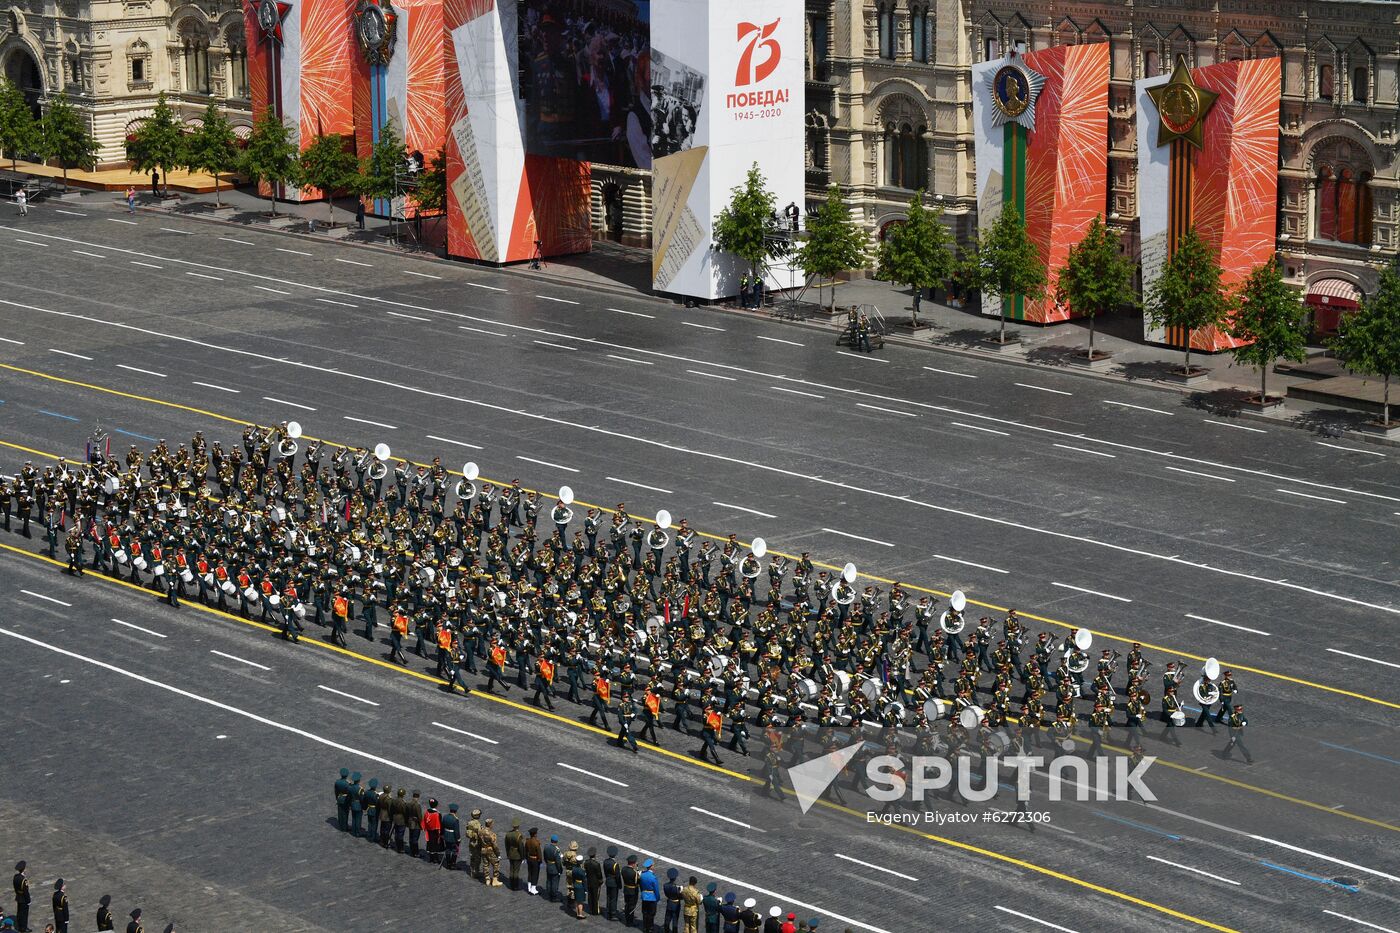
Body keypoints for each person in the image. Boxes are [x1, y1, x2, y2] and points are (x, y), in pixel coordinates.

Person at [639, 859, 661, 932]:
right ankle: (650, 928)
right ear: (651, 866)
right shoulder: (653, 877)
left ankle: (645, 928)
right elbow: (656, 890)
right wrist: (657, 898)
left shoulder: (642, 875)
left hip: (644, 896)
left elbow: (641, 886)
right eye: (653, 865)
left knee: (645, 913)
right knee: (651, 914)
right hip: (652, 898)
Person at [504, 817, 525, 890]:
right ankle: (515, 886)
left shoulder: (508, 834)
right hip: (517, 855)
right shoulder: (519, 835)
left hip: (510, 853)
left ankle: (511, 884)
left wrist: (507, 854)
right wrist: (523, 857)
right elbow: (521, 847)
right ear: (518, 826)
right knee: (516, 871)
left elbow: (506, 845)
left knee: (511, 869)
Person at [603, 845, 622, 920]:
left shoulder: (605, 861)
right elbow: (618, 876)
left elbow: (605, 872)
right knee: (613, 899)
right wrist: (620, 885)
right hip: (614, 883)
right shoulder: (615, 864)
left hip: (608, 881)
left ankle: (608, 911)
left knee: (608, 897)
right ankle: (613, 914)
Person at [585, 846, 604, 916]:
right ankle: (595, 910)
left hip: (589, 881)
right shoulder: (596, 864)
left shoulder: (586, 862)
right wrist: (601, 881)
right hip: (595, 882)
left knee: (590, 895)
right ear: (595, 855)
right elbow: (599, 874)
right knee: (595, 896)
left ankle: (590, 909)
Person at [524, 826, 543, 895]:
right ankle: (533, 889)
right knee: (535, 874)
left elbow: (525, 850)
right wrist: (540, 861)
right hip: (535, 860)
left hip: (529, 858)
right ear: (535, 834)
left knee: (530, 873)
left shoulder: (527, 841)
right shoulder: (536, 843)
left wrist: (526, 857)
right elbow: (539, 853)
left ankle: (529, 887)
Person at [13, 861, 31, 933]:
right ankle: (23, 928)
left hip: (18, 896)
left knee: (19, 912)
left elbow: (15, 887)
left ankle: (19, 926)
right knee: (24, 914)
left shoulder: (16, 877)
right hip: (24, 899)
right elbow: (26, 892)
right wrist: (28, 900)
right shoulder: (24, 880)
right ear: (24, 869)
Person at [571, 855, 588, 919]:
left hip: (575, 884)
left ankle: (577, 912)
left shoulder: (574, 869)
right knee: (580, 901)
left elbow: (573, 878)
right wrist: (586, 890)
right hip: (580, 886)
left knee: (576, 900)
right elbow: (584, 881)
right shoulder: (582, 871)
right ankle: (580, 914)